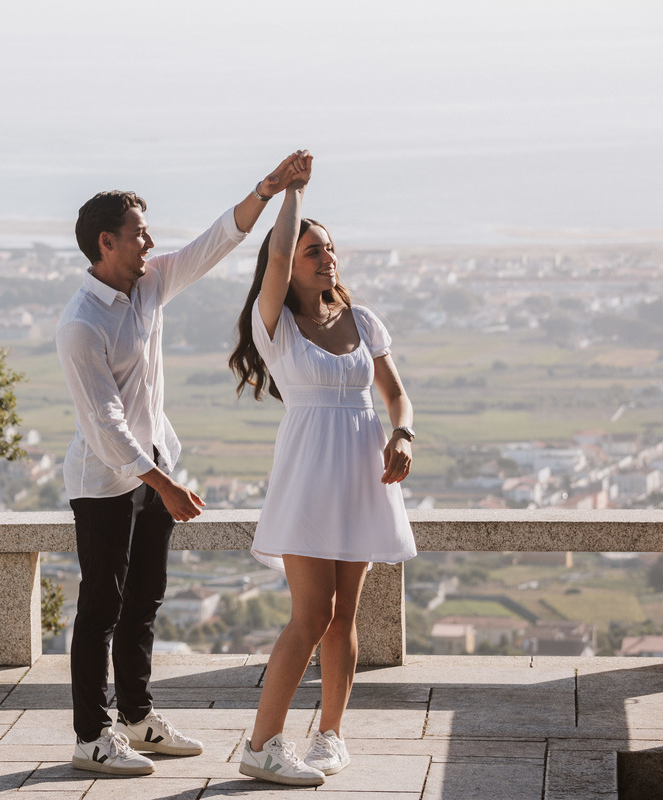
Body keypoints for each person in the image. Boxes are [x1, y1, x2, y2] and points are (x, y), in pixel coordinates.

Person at [57, 152, 307, 776]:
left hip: (155, 470)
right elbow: (104, 426)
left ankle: (138, 720)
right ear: (106, 241)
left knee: (144, 601)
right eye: (140, 232)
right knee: (100, 609)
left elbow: (212, 244)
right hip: (107, 483)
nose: (150, 241)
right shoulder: (81, 324)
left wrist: (267, 190)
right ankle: (92, 734)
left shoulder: (148, 284)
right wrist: (164, 485)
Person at [228, 150, 417, 786]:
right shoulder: (273, 324)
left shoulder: (363, 321)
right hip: (309, 478)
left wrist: (404, 434)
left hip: (364, 474)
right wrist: (292, 196)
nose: (325, 256)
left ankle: (331, 735)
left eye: (329, 248)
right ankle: (261, 744)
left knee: (344, 619)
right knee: (309, 617)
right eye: (314, 251)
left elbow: (396, 395)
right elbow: (275, 258)